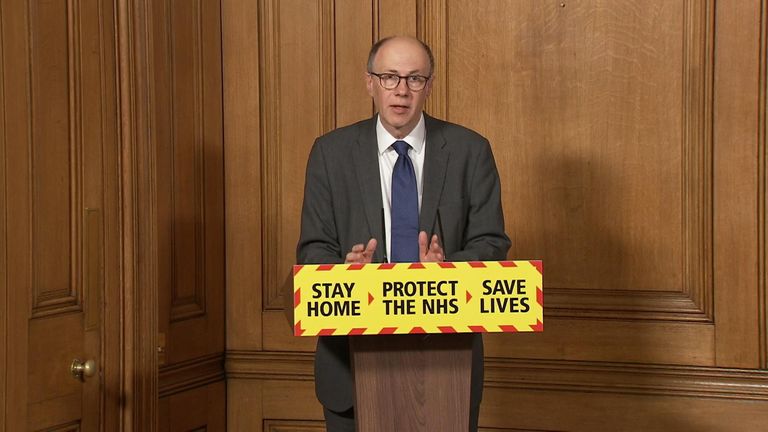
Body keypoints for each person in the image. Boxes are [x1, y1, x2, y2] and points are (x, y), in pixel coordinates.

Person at [296, 35, 510, 432]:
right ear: (370, 82)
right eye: (390, 77)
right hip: (350, 368)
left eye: (414, 79)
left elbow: (492, 247)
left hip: (448, 369)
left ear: (429, 85)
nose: (401, 91)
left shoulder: (470, 150)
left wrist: (445, 271)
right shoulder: (330, 153)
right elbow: (312, 252)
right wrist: (346, 273)